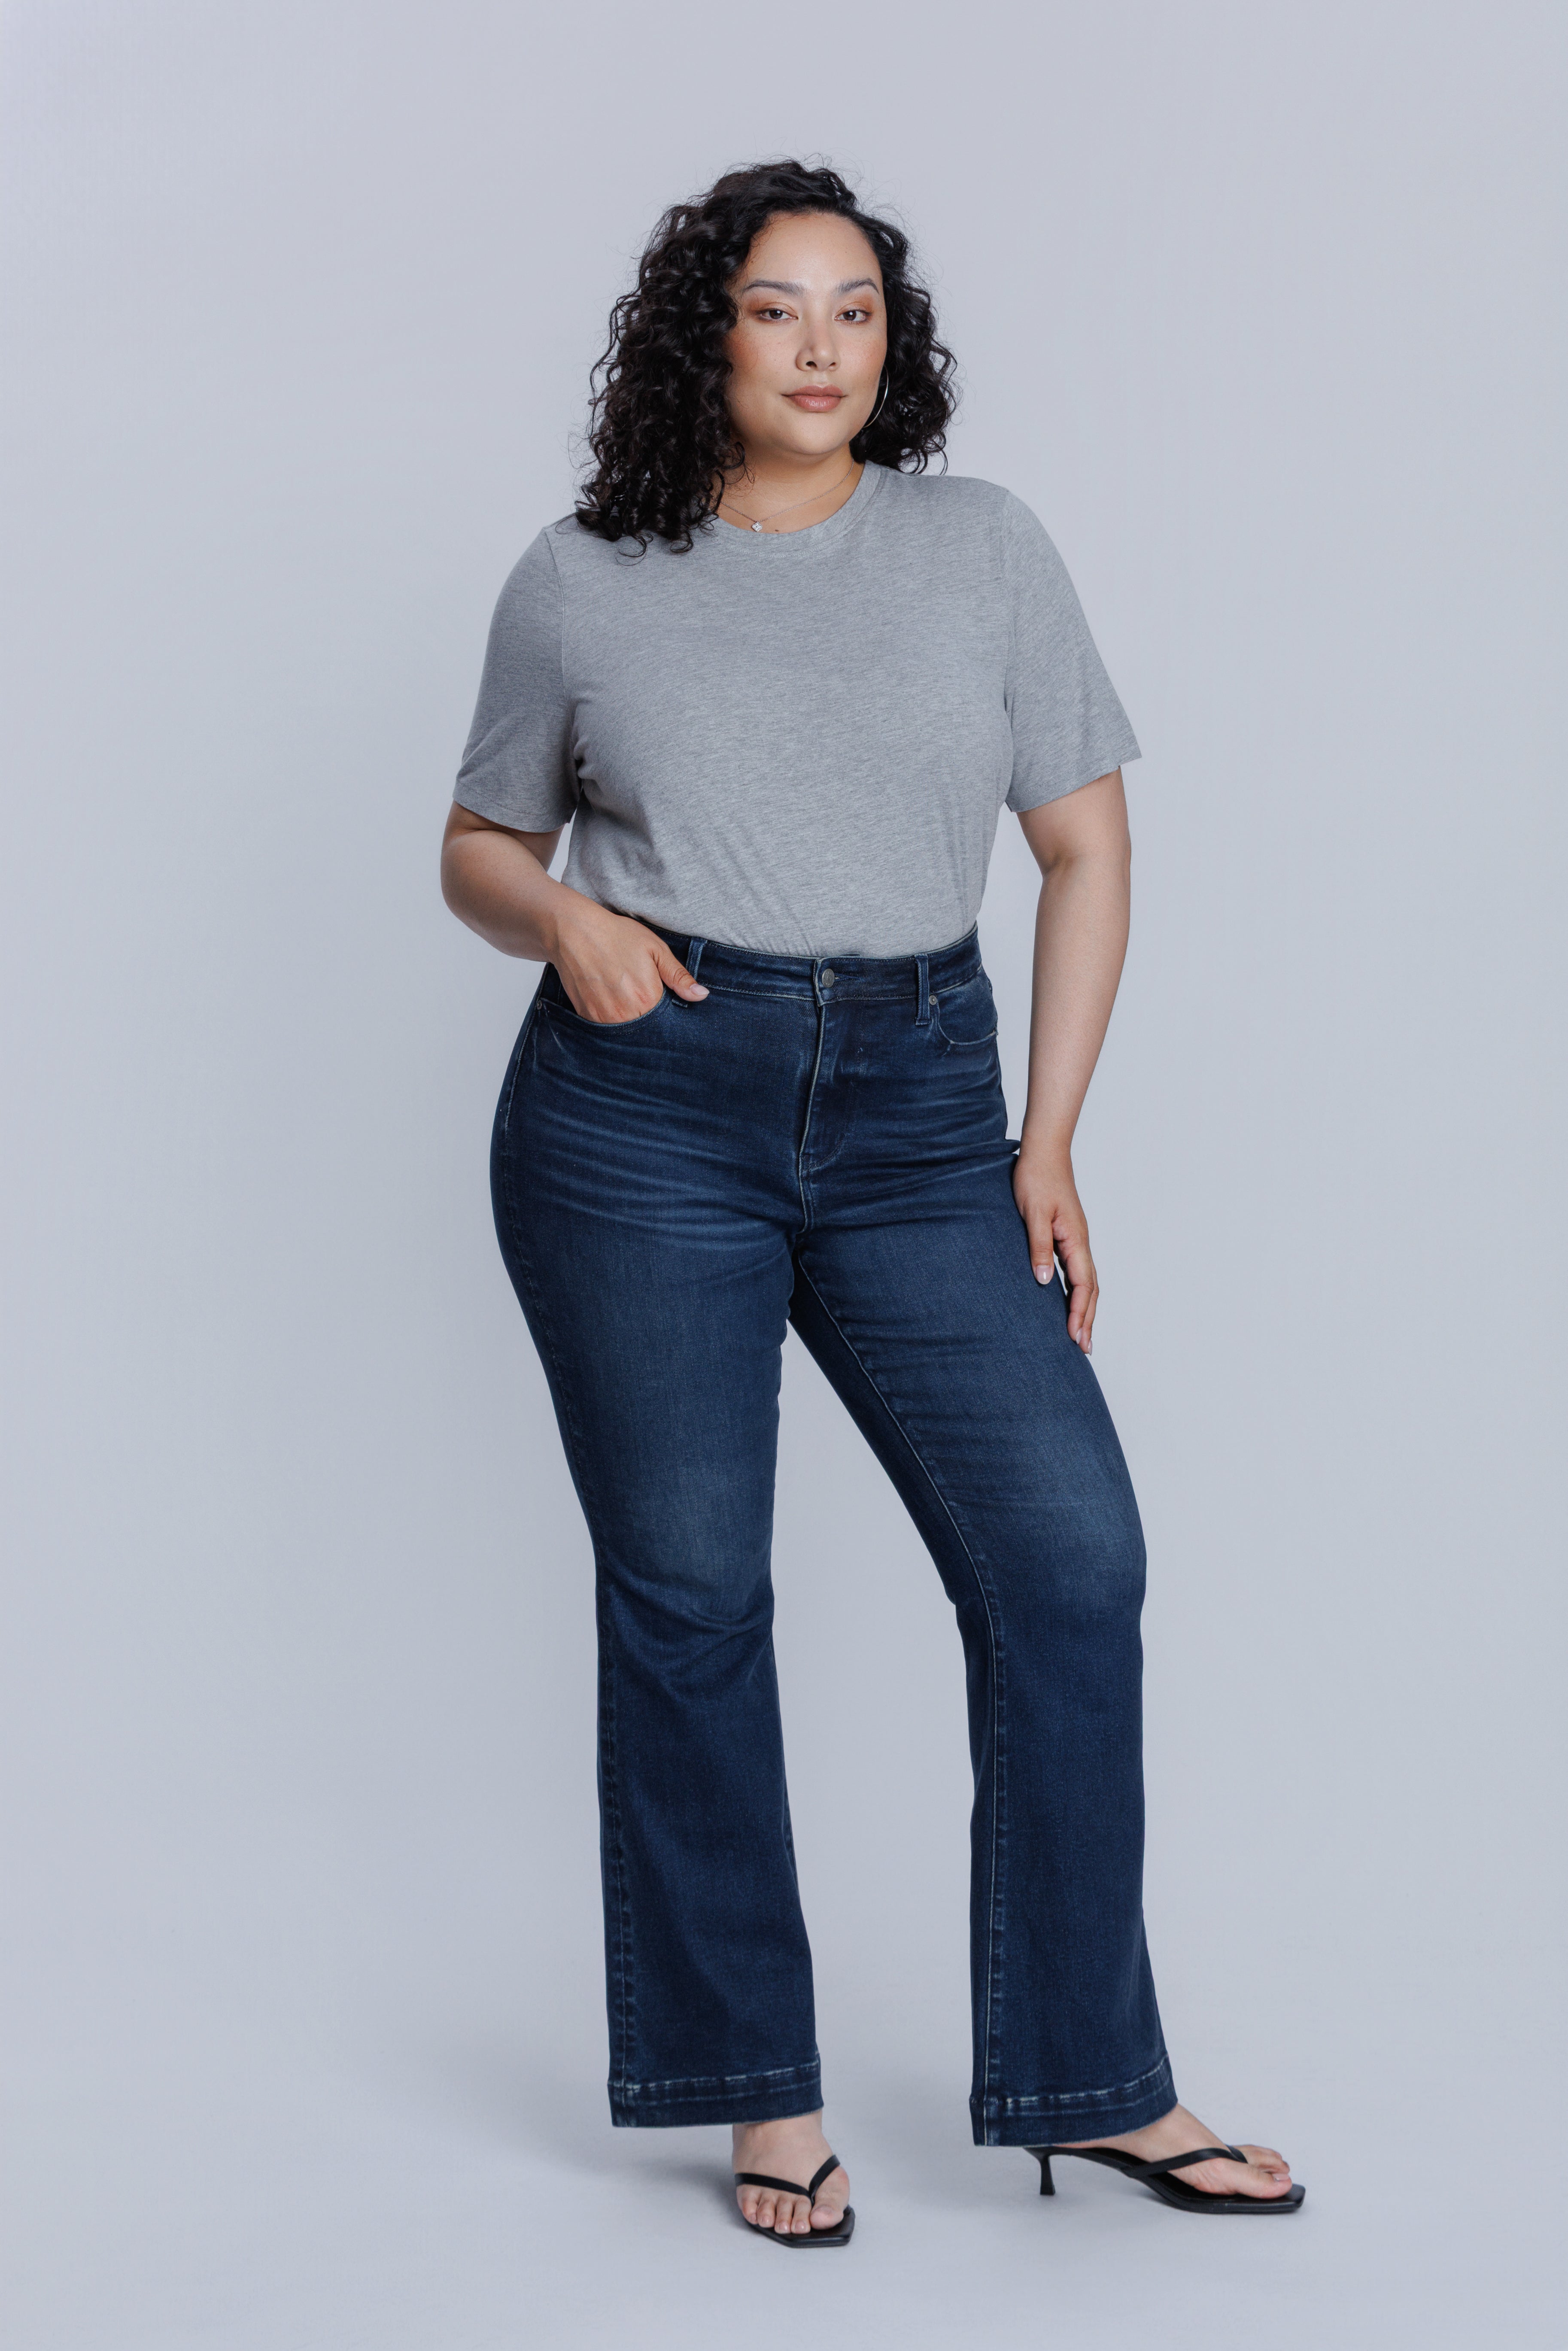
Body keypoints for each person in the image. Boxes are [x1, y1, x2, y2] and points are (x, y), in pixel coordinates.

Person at [441, 159, 1303, 2243]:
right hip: (645, 1114)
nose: (821, 347)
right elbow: (473, 847)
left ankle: (1096, 2081)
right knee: (693, 1594)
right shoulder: (584, 575)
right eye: (774, 309)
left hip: (924, 1109)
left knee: (1069, 1560)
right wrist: (563, 919)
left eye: (853, 310)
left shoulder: (983, 551)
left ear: (887, 344)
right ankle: (755, 2085)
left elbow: (1086, 853)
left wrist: (1049, 1137)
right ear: (702, 337)